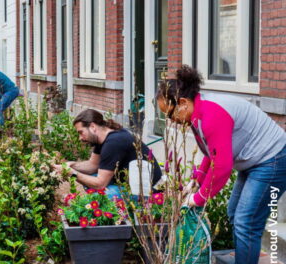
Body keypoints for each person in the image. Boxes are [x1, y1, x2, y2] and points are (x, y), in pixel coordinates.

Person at [156, 65, 286, 264]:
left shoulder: (210, 115)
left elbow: (223, 167)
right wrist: (197, 181)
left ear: (182, 103)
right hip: (253, 161)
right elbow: (213, 152)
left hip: (273, 158)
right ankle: (246, 256)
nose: (171, 121)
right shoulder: (197, 113)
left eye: (170, 114)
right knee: (234, 213)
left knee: (246, 221)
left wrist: (197, 199)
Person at [52, 109, 162, 199]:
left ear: (93, 127)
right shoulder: (104, 136)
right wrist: (70, 165)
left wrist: (73, 173)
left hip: (147, 192)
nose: (80, 138)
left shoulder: (114, 142)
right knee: (90, 179)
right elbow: (93, 165)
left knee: (98, 198)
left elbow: (100, 184)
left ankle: (124, 217)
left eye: (81, 132)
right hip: (130, 185)